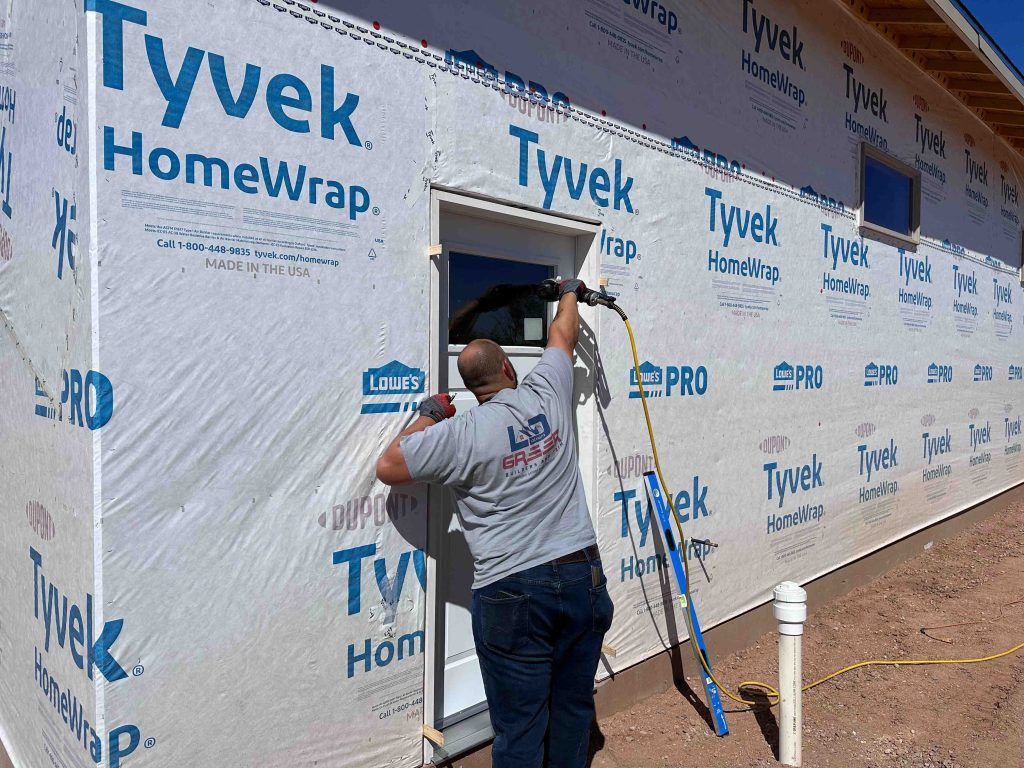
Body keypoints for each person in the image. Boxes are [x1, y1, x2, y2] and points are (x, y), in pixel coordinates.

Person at [376, 278, 613, 768]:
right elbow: (562, 335)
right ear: (508, 368)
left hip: (511, 590)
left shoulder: (460, 433)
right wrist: (569, 293)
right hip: (579, 576)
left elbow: (389, 466)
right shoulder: (546, 391)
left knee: (520, 726)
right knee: (572, 709)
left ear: (470, 388)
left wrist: (430, 414)